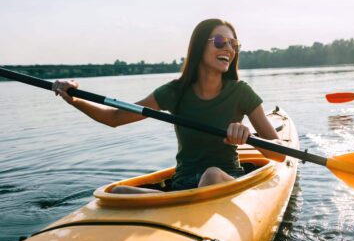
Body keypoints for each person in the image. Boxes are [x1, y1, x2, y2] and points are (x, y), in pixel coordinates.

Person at [52, 18, 284, 194]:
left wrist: (249, 137)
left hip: (224, 180)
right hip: (183, 186)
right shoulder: (174, 92)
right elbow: (114, 117)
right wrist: (74, 98)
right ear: (199, 46)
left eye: (234, 44)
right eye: (221, 41)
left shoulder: (240, 92)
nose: (229, 49)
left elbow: (279, 153)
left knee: (211, 175)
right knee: (117, 191)